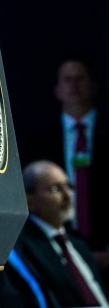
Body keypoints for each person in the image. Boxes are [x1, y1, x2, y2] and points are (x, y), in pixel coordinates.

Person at [21, 56, 107, 263]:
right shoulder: (39, 139)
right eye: (67, 80)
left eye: (80, 78)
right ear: (57, 89)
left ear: (94, 86)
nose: (73, 85)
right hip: (60, 249)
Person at [0, 160, 108, 308]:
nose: (68, 195)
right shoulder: (20, 249)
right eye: (56, 189)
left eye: (68, 186)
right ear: (29, 200)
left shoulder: (79, 245)